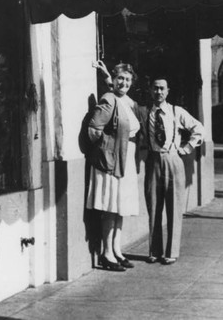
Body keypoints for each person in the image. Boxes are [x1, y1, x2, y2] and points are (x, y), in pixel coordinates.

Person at [139, 77, 204, 265]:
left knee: (174, 207)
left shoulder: (176, 111)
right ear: (150, 91)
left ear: (167, 91)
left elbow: (198, 128)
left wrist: (187, 148)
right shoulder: (145, 113)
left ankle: (171, 252)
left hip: (173, 159)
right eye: (155, 88)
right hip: (153, 160)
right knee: (153, 206)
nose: (158, 92)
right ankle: (154, 251)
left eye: (162, 89)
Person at [86, 61, 141, 272]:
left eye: (127, 79)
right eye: (120, 78)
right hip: (111, 162)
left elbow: (122, 98)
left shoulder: (126, 101)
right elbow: (94, 130)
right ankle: (106, 253)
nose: (124, 82)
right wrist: (107, 151)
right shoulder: (108, 100)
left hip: (125, 160)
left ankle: (116, 250)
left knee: (120, 208)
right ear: (114, 80)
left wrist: (109, 79)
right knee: (110, 208)